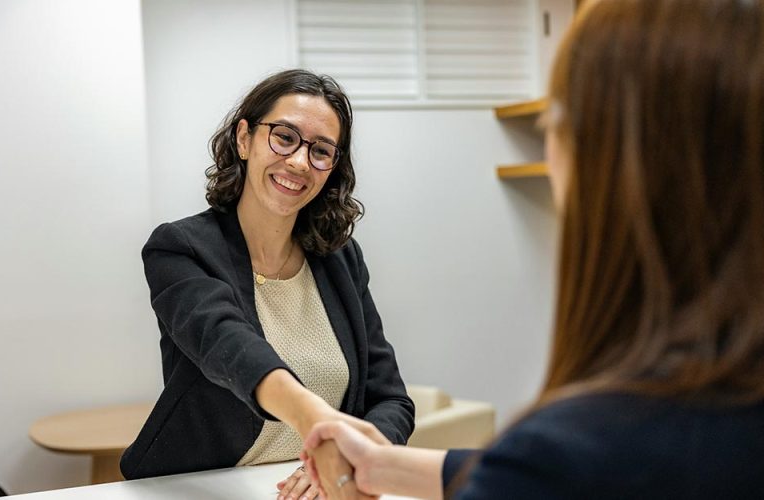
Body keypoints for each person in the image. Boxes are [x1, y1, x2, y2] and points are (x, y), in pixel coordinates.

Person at [302, 0, 764, 498]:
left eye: (554, 123)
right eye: (283, 137)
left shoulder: (577, 448)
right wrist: (383, 465)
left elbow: (551, 468)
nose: (298, 162)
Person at [119, 69, 415, 500]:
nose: (298, 162)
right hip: (199, 488)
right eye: (284, 137)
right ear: (244, 139)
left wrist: (351, 456)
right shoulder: (180, 248)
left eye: (320, 151)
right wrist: (317, 421)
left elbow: (392, 401)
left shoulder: (340, 259)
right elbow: (229, 347)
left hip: (315, 488)